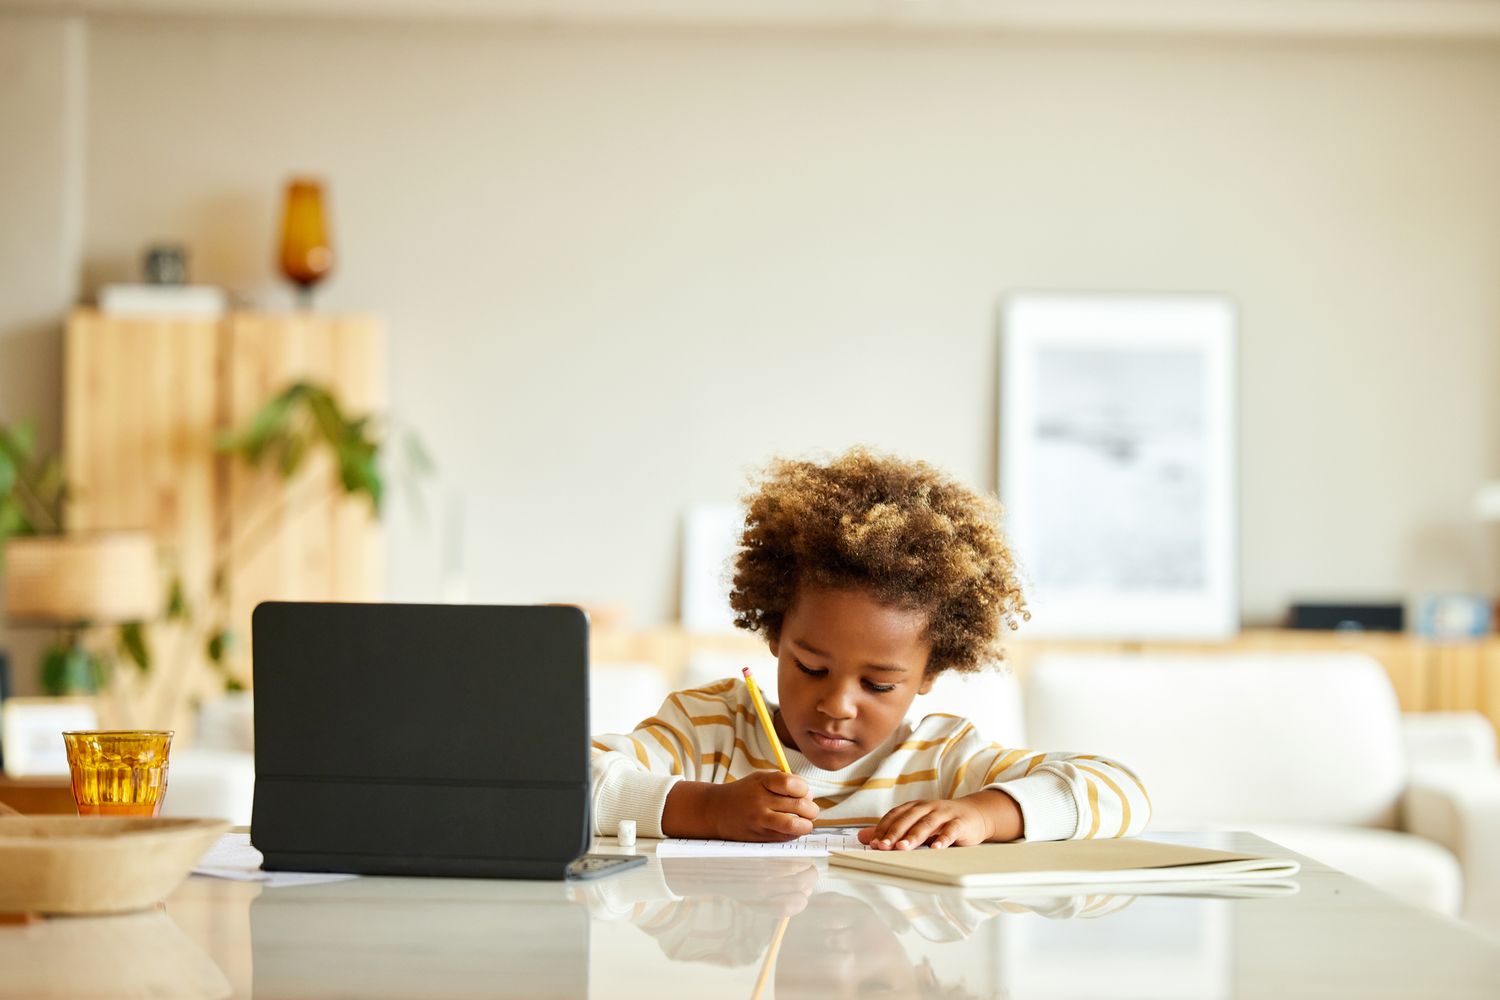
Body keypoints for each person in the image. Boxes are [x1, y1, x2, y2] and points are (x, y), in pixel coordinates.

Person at [590, 447, 1150, 847]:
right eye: (811, 666)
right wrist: (708, 809)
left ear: (931, 671)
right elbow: (564, 782)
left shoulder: (940, 759)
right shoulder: (707, 730)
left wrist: (982, 814)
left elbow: (1121, 791)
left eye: (879, 684)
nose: (837, 705)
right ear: (775, 634)